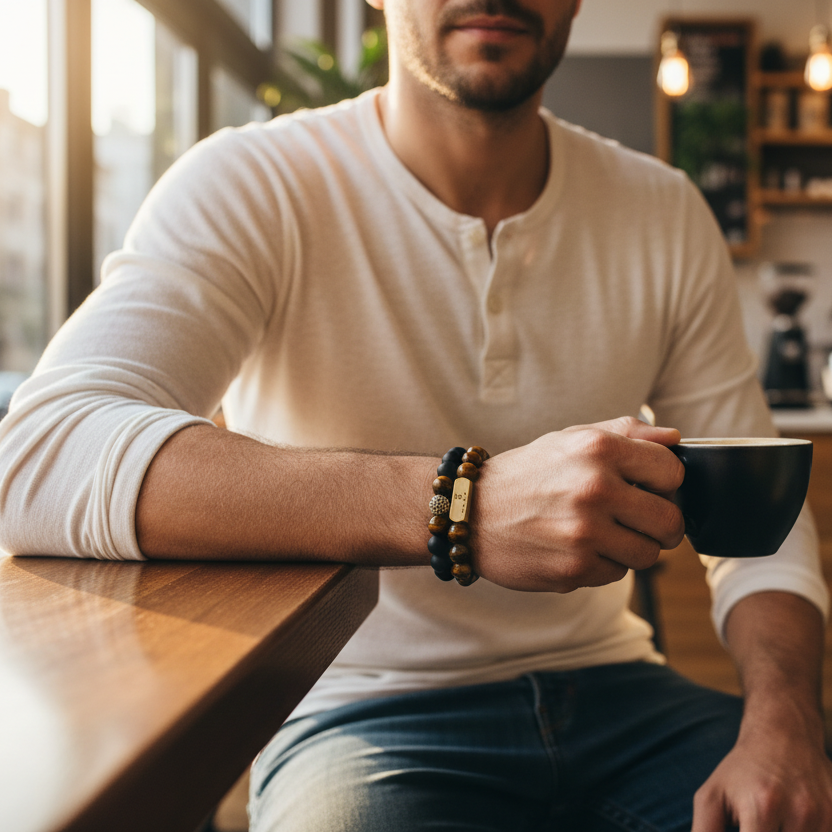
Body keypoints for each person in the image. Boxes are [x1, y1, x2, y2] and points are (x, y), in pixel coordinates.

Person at [1, 0, 831, 829]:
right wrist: (466, 505)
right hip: (356, 711)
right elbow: (39, 457)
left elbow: (764, 517)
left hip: (624, 695)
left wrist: (785, 721)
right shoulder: (255, 182)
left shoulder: (664, 210)